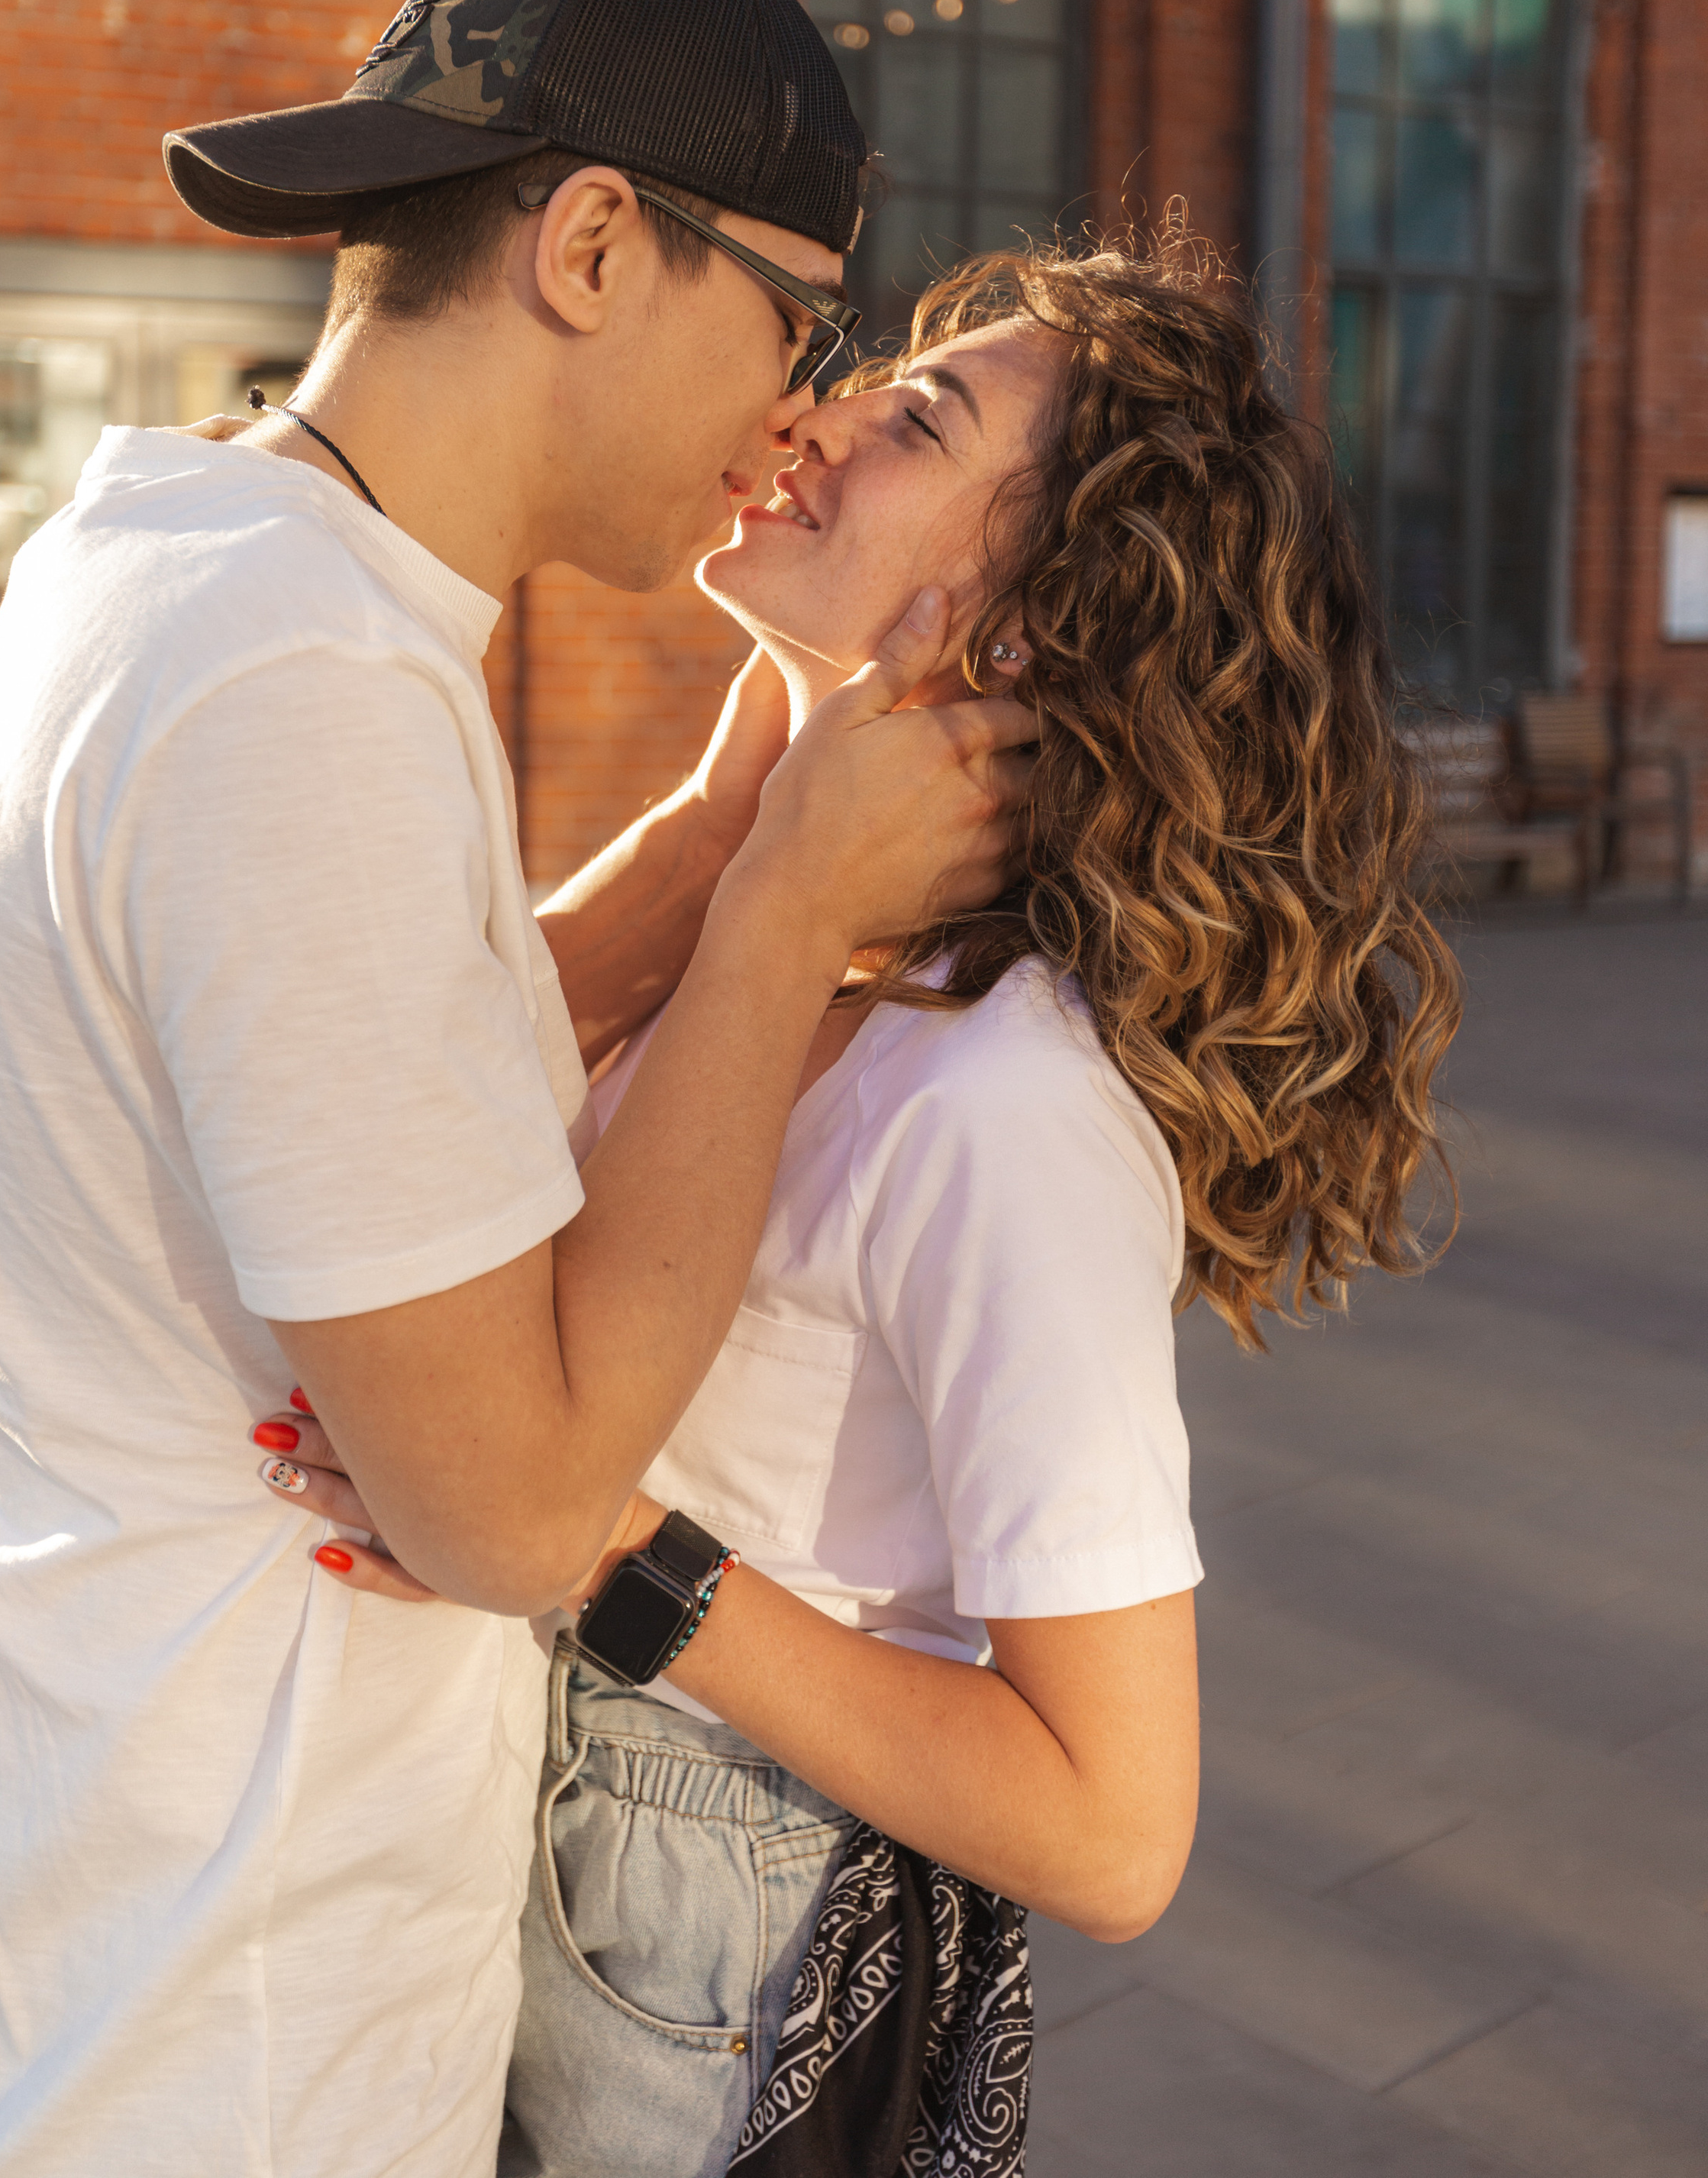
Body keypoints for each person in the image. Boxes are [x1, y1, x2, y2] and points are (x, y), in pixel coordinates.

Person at [0, 0, 1037, 2178]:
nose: (799, 409)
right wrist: (784, 922)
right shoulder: (307, 700)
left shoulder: (193, 558)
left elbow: (377, 1065)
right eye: (799, 318)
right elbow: (515, 1505)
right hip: (201, 2045)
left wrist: (713, 836)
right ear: (591, 245)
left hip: (76, 1968)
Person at [257, 233, 1462, 2178]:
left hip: (730, 1934)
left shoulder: (1003, 1105)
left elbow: (1110, 1829)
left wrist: (589, 1552)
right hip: (570, 1844)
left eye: (913, 420)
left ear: (1018, 624)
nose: (807, 419)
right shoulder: (779, 963)